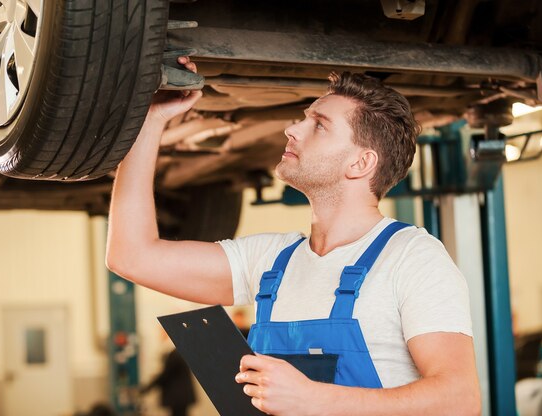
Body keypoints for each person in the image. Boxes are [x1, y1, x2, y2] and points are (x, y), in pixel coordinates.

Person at [106, 57, 481, 415]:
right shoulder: (272, 261)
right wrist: (150, 119)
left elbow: (459, 401)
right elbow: (131, 256)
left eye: (318, 125)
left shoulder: (411, 257)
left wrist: (315, 401)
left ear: (361, 163)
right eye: (304, 119)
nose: (292, 129)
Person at [140, 348, 196, 416]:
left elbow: (165, 375)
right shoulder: (180, 353)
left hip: (178, 397)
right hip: (182, 396)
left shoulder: (175, 355)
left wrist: (148, 387)